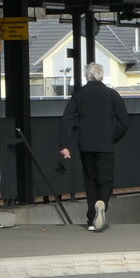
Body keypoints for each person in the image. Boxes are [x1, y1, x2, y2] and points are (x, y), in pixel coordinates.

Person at [59, 63, 129, 233]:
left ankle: (91, 220)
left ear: (87, 76)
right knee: (106, 180)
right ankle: (102, 204)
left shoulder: (79, 95)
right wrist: (112, 137)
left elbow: (67, 118)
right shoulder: (112, 95)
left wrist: (65, 144)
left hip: (86, 145)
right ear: (101, 76)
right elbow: (124, 121)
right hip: (105, 145)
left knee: (90, 181)